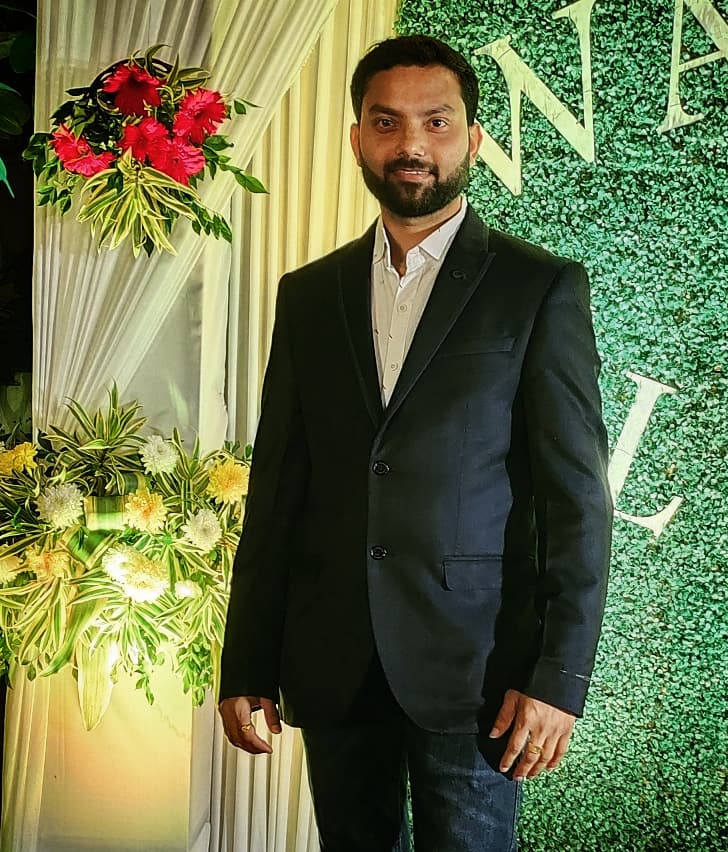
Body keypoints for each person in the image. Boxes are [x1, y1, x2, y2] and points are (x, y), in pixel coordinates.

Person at [218, 35, 612, 852]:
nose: (412, 144)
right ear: (357, 138)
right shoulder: (308, 294)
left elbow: (576, 501)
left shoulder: (537, 287)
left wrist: (559, 678)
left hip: (479, 674)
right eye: (387, 122)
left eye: (436, 122)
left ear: (473, 138)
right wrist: (246, 661)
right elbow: (279, 489)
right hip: (333, 660)